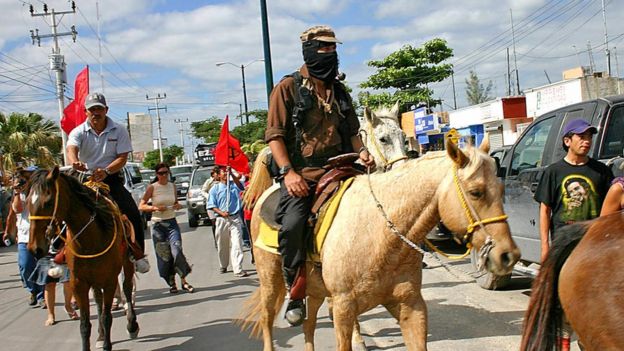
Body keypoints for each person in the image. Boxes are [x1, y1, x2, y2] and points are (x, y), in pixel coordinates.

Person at [264, 25, 375, 326]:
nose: (330, 53)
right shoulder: (287, 88)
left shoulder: (340, 91)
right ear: (309, 51)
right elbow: (274, 136)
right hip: (304, 175)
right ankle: (296, 291)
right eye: (323, 48)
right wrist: (288, 173)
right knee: (292, 225)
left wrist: (362, 152)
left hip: (344, 168)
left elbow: (352, 132)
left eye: (333, 48)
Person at [533, 118, 613, 350]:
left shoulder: (601, 171)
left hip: (593, 247)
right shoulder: (554, 171)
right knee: (562, 302)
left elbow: (611, 205)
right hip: (563, 247)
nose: (586, 141)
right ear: (568, 141)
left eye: (589, 137)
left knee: (593, 301)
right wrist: (545, 247)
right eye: (581, 137)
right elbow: (545, 209)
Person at [66, 92, 148, 272]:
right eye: (92, 109)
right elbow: (71, 148)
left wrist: (106, 171)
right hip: (84, 178)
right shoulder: (78, 131)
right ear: (86, 112)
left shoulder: (119, 130)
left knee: (133, 213)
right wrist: (74, 161)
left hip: (110, 177)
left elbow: (122, 157)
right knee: (63, 210)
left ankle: (138, 253)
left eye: (99, 108)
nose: (96, 112)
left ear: (106, 110)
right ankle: (57, 252)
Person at [139, 163, 194, 294]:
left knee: (177, 251)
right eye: (161, 173)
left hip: (172, 223)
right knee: (164, 256)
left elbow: (175, 202)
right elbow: (141, 206)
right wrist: (155, 208)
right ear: (157, 175)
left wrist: (177, 206)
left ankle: (184, 281)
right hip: (158, 225)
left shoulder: (172, 186)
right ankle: (171, 283)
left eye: (166, 173)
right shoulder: (152, 188)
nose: (164, 175)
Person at [3, 167, 44, 307]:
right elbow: (16, 210)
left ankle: (42, 295)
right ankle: (32, 290)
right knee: (25, 266)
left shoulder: (40, 191)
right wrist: (16, 192)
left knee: (42, 266)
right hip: (24, 236)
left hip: (40, 236)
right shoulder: (18, 194)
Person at [206, 166, 248, 277]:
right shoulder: (214, 189)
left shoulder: (234, 185)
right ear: (218, 175)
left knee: (237, 243)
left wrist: (232, 174)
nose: (225, 173)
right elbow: (211, 205)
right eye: (223, 172)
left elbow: (241, 187)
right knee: (222, 244)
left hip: (234, 218)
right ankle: (223, 264)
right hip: (221, 219)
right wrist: (221, 212)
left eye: (226, 171)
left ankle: (238, 268)